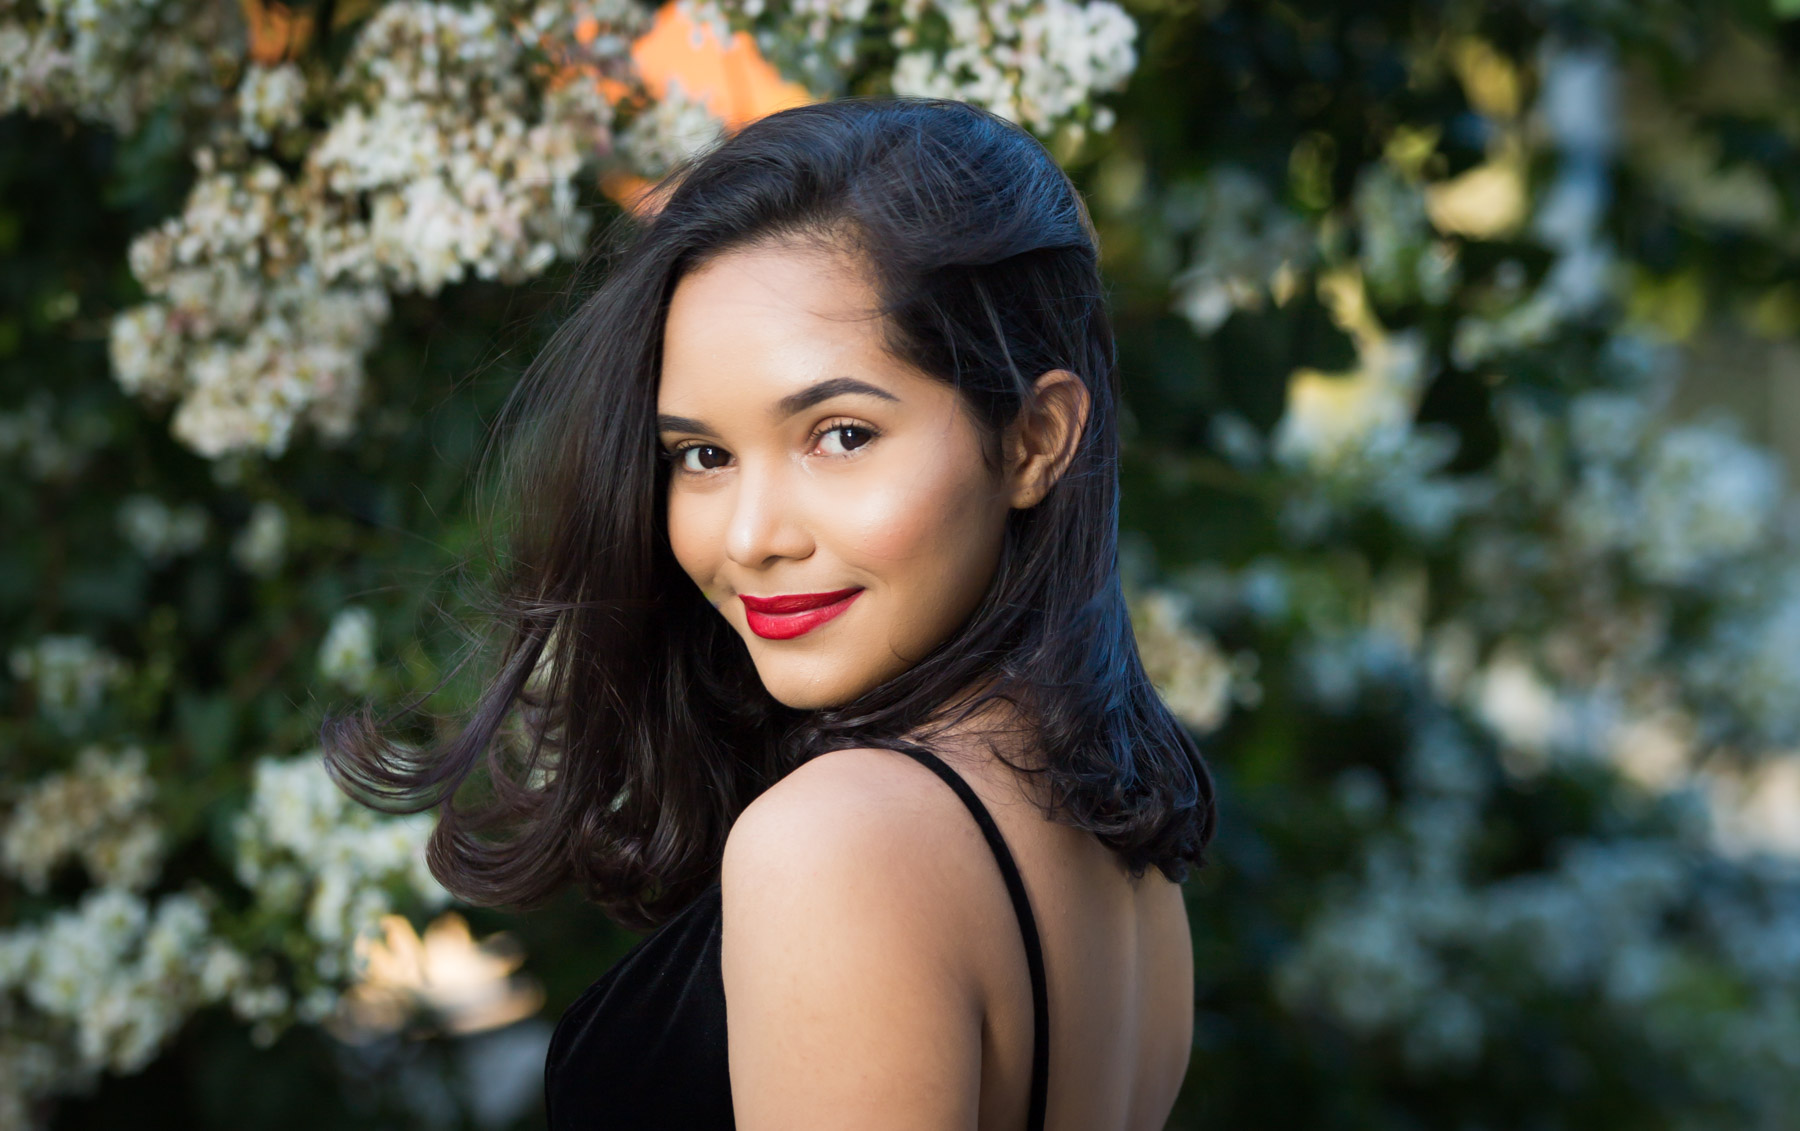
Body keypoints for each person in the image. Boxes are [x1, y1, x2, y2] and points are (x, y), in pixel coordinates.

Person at [323, 96, 1217, 1130]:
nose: (750, 536)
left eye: (839, 434)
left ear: (1033, 440)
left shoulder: (835, 843)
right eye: (702, 456)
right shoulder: (1125, 850)